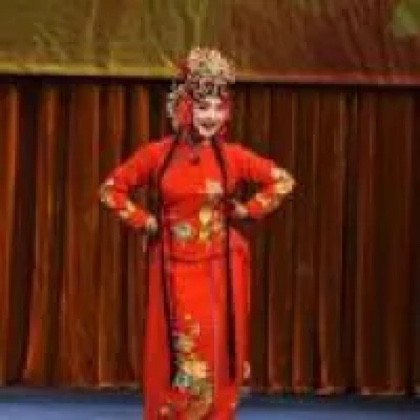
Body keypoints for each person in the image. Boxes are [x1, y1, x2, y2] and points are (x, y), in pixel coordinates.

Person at [99, 47, 295, 419]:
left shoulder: (233, 156)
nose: (211, 117)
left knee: (215, 346)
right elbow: (111, 190)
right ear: (185, 107)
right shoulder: (157, 155)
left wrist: (247, 210)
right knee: (180, 347)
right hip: (172, 264)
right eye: (203, 107)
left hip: (220, 266)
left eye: (219, 108)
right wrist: (146, 222)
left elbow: (282, 181)